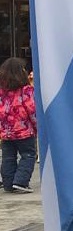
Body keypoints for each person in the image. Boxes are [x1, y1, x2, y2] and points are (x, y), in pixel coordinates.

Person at [0, 57, 36, 193]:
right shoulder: (26, 90)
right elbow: (32, 110)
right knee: (28, 155)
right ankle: (21, 181)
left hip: (6, 133)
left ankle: (8, 183)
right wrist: (37, 127)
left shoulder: (2, 91)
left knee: (8, 157)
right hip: (24, 131)